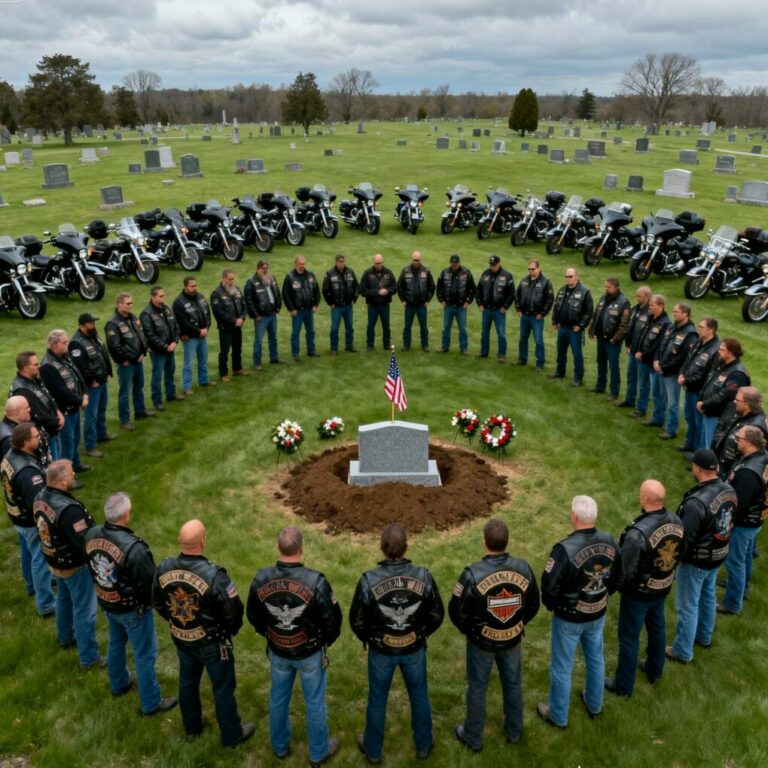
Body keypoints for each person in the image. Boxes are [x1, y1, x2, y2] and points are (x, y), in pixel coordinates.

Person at [246, 525, 342, 766]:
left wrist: (272, 635)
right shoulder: (316, 581)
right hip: (309, 653)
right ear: (301, 548)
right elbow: (333, 620)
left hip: (279, 651)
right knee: (315, 702)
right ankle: (318, 753)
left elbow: (254, 616)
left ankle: (279, 747)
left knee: (278, 698)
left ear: (278, 547)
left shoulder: (261, 578)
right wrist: (321, 642)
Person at [154, 519, 254, 747]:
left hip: (182, 639)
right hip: (212, 643)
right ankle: (232, 736)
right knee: (223, 688)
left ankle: (192, 729)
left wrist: (179, 624)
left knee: (187, 682)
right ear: (203, 541)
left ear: (181, 541)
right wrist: (228, 632)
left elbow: (159, 603)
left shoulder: (164, 567)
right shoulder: (214, 575)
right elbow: (234, 610)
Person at [349, 523, 444, 763]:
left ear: (382, 548)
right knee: (419, 696)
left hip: (382, 651)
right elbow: (435, 614)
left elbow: (357, 621)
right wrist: (418, 634)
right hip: (411, 649)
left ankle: (373, 750)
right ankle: (423, 745)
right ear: (406, 547)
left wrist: (372, 638)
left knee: (378, 699)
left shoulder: (368, 579)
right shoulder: (423, 576)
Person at [449, 518, 539, 751]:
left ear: (484, 543)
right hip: (511, 640)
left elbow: (456, 611)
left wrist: (472, 631)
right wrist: (516, 625)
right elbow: (532, 605)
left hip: (482, 644)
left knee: (477, 689)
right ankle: (514, 732)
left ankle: (473, 738)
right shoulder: (524, 568)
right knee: (513, 685)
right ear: (506, 542)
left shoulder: (472, 574)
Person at [84, 492, 177, 715]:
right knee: (145, 654)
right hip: (131, 609)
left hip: (108, 601)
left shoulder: (91, 534)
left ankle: (119, 684)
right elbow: (149, 586)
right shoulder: (135, 549)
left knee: (116, 642)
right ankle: (151, 703)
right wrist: (149, 605)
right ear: (125, 515)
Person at [538, 495, 621, 727]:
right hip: (596, 612)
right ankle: (595, 705)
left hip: (569, 617)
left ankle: (558, 715)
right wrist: (602, 595)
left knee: (562, 666)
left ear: (574, 516)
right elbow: (618, 575)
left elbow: (549, 585)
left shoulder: (563, 550)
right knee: (596, 658)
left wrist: (553, 605)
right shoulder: (610, 542)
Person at [605, 480, 683, 696]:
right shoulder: (676, 521)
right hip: (662, 587)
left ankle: (623, 685)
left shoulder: (637, 533)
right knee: (657, 629)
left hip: (638, 594)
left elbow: (626, 570)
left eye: (641, 494)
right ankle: (654, 669)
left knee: (629, 638)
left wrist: (614, 587)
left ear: (646, 499)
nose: (640, 497)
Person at [666, 449, 737, 663]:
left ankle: (682, 651)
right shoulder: (729, 490)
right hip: (718, 554)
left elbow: (685, 538)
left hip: (697, 560)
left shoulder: (696, 502)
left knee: (688, 605)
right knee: (707, 595)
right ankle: (704, 636)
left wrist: (676, 561)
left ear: (697, 468)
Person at [33, 459, 103, 668]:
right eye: (72, 475)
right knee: (84, 610)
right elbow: (85, 542)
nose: (74, 477)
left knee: (64, 599)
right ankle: (89, 658)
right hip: (75, 566)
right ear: (62, 481)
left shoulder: (40, 497)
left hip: (55, 561)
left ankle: (65, 636)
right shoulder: (69, 510)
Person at [1, 422, 55, 617]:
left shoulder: (10, 456)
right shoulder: (28, 473)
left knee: (28, 551)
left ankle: (31, 585)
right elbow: (39, 504)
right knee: (40, 559)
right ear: (25, 442)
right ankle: (46, 604)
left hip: (16, 516)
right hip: (30, 521)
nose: (39, 438)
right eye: (36, 437)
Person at [718, 427, 768, 615]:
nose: (736, 441)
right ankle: (741, 587)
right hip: (757, 518)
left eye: (738, 438)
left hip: (745, 522)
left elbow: (740, 505)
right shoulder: (763, 455)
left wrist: (729, 524)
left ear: (748, 443)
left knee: (735, 561)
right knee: (745, 556)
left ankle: (732, 603)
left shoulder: (748, 473)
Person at [39, 330, 89, 480]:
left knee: (74, 439)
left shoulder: (63, 358)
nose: (67, 345)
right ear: (54, 345)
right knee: (67, 443)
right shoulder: (48, 366)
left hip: (73, 408)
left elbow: (77, 375)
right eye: (64, 343)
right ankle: (67, 478)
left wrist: (84, 392)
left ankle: (76, 465)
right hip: (64, 410)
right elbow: (60, 391)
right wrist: (80, 401)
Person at [105, 293, 154, 431]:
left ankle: (140, 411)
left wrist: (143, 353)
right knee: (125, 392)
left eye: (131, 303)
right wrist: (126, 359)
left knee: (139, 387)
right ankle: (124, 420)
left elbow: (142, 336)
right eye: (128, 303)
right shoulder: (113, 324)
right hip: (126, 364)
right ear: (119, 304)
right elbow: (115, 347)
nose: (131, 305)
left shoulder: (134, 318)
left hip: (138, 360)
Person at [69, 313, 116, 457]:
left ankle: (101, 434)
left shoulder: (94, 336)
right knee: (91, 415)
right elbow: (80, 366)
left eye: (94, 322)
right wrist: (91, 381)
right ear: (82, 325)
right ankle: (90, 446)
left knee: (101, 409)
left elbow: (102, 354)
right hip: (92, 385)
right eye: (91, 323)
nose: (94, 325)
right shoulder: (76, 343)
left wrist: (107, 372)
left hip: (101, 380)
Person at [10, 350, 64, 460]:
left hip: (52, 428)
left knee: (58, 458)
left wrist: (58, 412)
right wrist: (57, 421)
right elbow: (38, 415)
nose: (39, 366)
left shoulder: (33, 379)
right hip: (45, 435)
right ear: (25, 368)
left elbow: (48, 396)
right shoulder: (22, 391)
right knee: (53, 465)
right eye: (35, 364)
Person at [697, 338, 750, 450]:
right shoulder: (724, 365)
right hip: (710, 410)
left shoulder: (737, 374)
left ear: (730, 353)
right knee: (705, 439)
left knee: (711, 446)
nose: (718, 351)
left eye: (722, 349)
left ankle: (707, 466)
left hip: (718, 416)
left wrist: (704, 404)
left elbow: (723, 396)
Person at [654, 303, 697, 440]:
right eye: (673, 312)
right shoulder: (673, 326)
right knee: (663, 398)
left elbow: (682, 357)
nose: (674, 314)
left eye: (677, 312)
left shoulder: (690, 333)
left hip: (672, 373)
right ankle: (661, 421)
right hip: (662, 368)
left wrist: (664, 367)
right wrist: (656, 360)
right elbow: (662, 345)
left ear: (685, 314)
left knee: (673, 403)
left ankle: (671, 429)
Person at [677, 316, 719, 453]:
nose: (699, 329)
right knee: (689, 418)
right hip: (689, 387)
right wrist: (682, 374)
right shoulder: (699, 343)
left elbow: (705, 374)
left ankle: (697, 452)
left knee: (699, 423)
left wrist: (686, 380)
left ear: (711, 330)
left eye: (702, 327)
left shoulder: (715, 350)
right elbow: (687, 361)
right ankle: (689, 444)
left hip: (698, 391)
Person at [139, 286, 182, 411]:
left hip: (170, 348)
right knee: (157, 376)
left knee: (170, 371)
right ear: (153, 297)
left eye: (164, 295)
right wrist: (165, 346)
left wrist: (175, 341)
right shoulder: (146, 314)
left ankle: (171, 394)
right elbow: (149, 335)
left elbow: (175, 326)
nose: (163, 297)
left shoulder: (167, 309)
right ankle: (157, 401)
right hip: (158, 351)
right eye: (160, 296)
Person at [587, 277, 630, 400]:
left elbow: (624, 325)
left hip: (612, 342)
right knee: (601, 363)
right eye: (606, 287)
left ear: (617, 287)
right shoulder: (603, 298)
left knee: (613, 366)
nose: (606, 289)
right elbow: (596, 315)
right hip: (601, 338)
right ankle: (600, 386)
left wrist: (615, 338)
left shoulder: (623, 302)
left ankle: (614, 391)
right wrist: (591, 330)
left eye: (609, 287)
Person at [549, 268, 594, 386]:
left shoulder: (585, 292)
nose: (568, 279)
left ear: (577, 276)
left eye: (570, 276)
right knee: (560, 351)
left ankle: (578, 378)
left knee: (577, 354)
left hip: (574, 329)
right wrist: (554, 321)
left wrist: (580, 326)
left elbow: (589, 312)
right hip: (562, 328)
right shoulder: (562, 290)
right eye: (566, 277)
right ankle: (560, 371)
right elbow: (556, 306)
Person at [173, 276, 215, 396]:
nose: (194, 288)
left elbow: (207, 313)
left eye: (195, 285)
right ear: (185, 286)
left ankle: (204, 380)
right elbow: (183, 322)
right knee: (188, 363)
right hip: (190, 337)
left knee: (203, 359)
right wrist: (198, 331)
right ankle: (187, 386)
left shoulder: (200, 297)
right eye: (192, 286)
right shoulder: (179, 302)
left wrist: (206, 328)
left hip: (202, 335)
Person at [713, 387, 768, 478]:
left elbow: (752, 453)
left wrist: (734, 472)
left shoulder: (755, 428)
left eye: (737, 400)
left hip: (731, 473)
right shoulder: (745, 415)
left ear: (747, 404)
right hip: (724, 466)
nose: (735, 402)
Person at [634, 294, 671, 426]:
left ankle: (658, 418)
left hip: (652, 361)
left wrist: (644, 355)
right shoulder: (651, 318)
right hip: (643, 358)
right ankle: (641, 409)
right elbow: (643, 335)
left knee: (657, 392)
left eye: (652, 305)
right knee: (643, 385)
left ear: (661, 306)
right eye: (649, 305)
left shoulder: (666, 323)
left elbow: (658, 345)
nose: (649, 308)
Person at [615, 286, 651, 412]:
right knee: (631, 376)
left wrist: (642, 351)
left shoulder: (650, 313)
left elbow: (648, 336)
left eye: (639, 296)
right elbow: (630, 328)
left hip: (642, 353)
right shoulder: (635, 309)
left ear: (647, 297)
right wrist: (628, 344)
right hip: (632, 350)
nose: (637, 298)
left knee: (643, 383)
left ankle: (641, 408)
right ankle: (630, 399)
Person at [244, 260, 284, 370]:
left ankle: (274, 357)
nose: (265, 270)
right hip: (261, 316)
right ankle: (257, 363)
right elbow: (248, 300)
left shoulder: (272, 278)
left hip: (272, 314)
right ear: (258, 269)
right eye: (263, 268)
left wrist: (278, 307)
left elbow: (277, 293)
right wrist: (256, 315)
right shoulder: (251, 282)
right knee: (259, 340)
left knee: (273, 338)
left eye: (266, 268)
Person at [210, 269, 249, 382]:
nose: (231, 281)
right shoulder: (217, 294)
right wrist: (234, 320)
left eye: (233, 279)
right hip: (226, 328)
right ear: (223, 279)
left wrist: (242, 318)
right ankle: (223, 374)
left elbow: (244, 305)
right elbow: (219, 313)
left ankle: (237, 369)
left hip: (237, 326)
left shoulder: (236, 290)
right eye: (229, 279)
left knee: (237, 348)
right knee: (225, 351)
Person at [514, 259, 553, 370]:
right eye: (529, 269)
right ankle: (522, 359)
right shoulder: (524, 280)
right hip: (525, 316)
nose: (531, 271)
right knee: (523, 338)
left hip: (536, 317)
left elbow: (549, 300)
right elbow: (517, 295)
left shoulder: (545, 282)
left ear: (539, 268)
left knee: (538, 340)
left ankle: (540, 363)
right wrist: (518, 309)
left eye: (533, 269)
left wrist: (542, 313)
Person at [476, 255, 515, 363]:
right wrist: (480, 304)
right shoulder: (485, 274)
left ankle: (502, 355)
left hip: (499, 310)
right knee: (484, 332)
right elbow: (478, 290)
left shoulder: (507, 275)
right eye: (491, 265)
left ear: (499, 263)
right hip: (487, 310)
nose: (492, 267)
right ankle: (484, 352)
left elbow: (511, 294)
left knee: (501, 333)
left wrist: (505, 307)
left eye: (494, 265)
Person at [282, 255, 321, 362]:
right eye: (300, 264)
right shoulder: (290, 277)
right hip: (297, 311)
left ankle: (311, 350)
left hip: (309, 310)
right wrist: (291, 309)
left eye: (304, 264)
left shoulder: (310, 275)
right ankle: (295, 354)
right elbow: (286, 295)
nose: (302, 266)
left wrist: (315, 304)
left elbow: (317, 291)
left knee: (311, 331)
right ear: (296, 264)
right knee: (296, 333)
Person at [436, 254, 476, 355]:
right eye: (453, 263)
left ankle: (464, 349)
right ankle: (445, 347)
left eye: (456, 263)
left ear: (459, 262)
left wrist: (468, 301)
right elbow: (439, 288)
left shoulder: (466, 273)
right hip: (448, 306)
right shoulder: (444, 273)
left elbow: (473, 289)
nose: (454, 264)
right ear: (450, 263)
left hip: (461, 307)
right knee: (446, 328)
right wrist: (441, 300)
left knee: (463, 329)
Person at [397, 251, 435, 352]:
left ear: (420, 259)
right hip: (409, 305)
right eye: (414, 260)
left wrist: (428, 299)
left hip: (422, 305)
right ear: (411, 259)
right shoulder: (405, 270)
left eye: (417, 260)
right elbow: (399, 286)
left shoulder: (426, 271)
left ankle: (425, 345)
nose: (416, 262)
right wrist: (402, 300)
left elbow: (432, 286)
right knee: (407, 327)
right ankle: (406, 345)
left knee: (423, 327)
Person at [322, 254, 359, 355]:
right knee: (334, 328)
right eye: (340, 262)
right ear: (336, 262)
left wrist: (354, 299)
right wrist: (330, 303)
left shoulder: (350, 272)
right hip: (336, 307)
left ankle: (349, 346)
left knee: (350, 327)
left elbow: (356, 286)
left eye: (343, 261)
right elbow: (325, 290)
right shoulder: (330, 273)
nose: (342, 263)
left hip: (348, 306)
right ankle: (334, 348)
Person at [360, 253, 397, 351]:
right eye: (376, 263)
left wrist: (388, 291)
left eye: (380, 263)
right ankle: (370, 344)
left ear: (382, 262)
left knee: (386, 325)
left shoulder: (388, 273)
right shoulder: (367, 273)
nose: (378, 265)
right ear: (373, 262)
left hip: (385, 305)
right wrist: (376, 292)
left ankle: (386, 344)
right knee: (371, 325)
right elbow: (362, 290)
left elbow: (395, 287)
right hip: (372, 305)